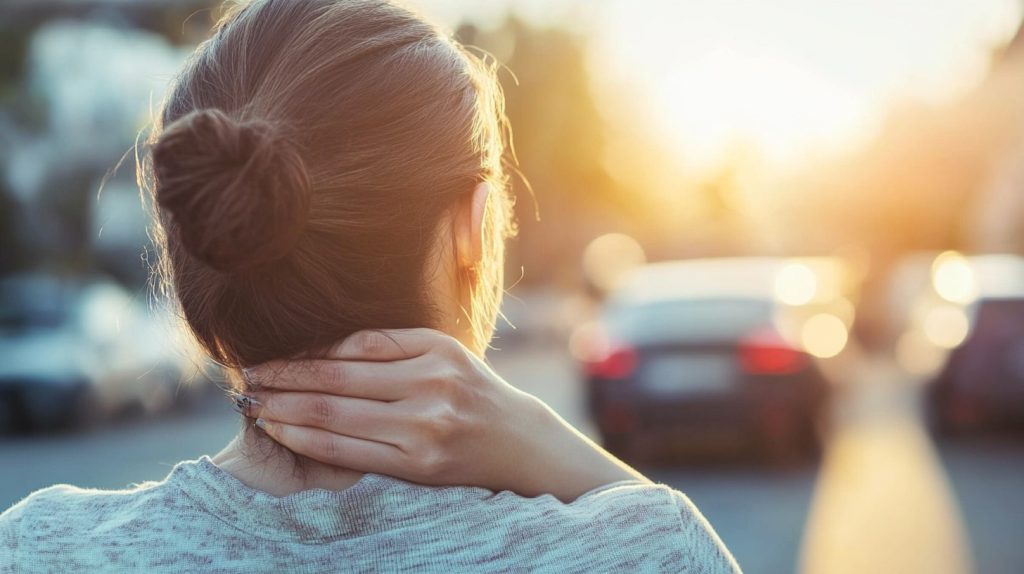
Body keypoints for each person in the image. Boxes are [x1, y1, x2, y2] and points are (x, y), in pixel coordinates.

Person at [0, 0, 740, 571]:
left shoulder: (37, 548)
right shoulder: (646, 552)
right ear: (472, 232)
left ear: (198, 239)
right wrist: (552, 447)